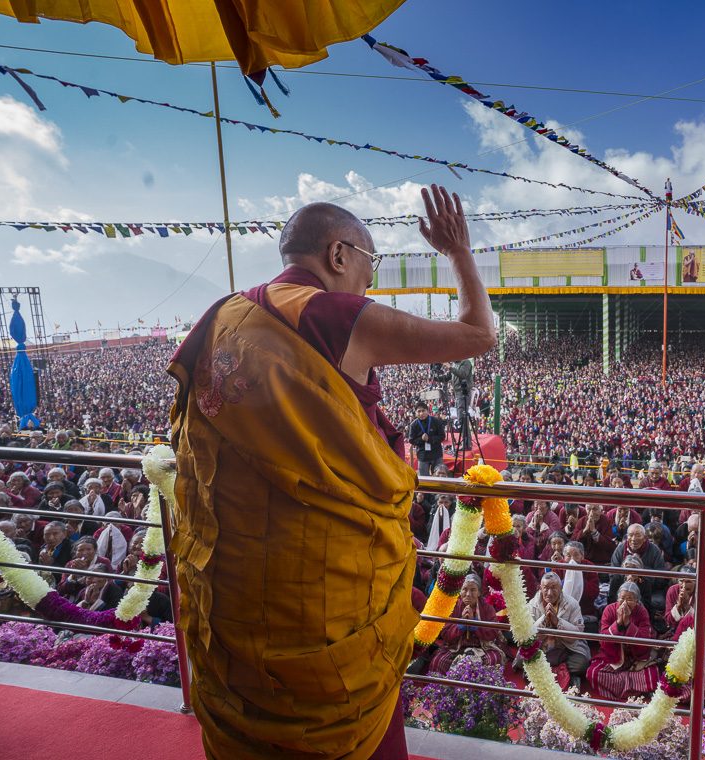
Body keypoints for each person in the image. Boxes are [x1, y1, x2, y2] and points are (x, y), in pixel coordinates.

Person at [166, 186, 494, 760]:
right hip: (322, 592)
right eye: (371, 264)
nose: (370, 282)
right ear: (339, 255)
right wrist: (459, 252)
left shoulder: (224, 314)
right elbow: (478, 333)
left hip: (239, 583)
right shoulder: (328, 314)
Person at [587, 583, 660, 700]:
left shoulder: (642, 612)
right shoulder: (609, 610)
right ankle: (632, 691)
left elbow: (645, 641)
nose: (625, 603)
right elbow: (603, 641)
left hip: (635, 659)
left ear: (637, 601)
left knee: (652, 676)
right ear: (617, 599)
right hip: (613, 657)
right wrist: (618, 623)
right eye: (622, 598)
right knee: (593, 672)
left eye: (630, 599)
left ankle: (624, 688)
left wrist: (628, 624)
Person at [429, 575, 506, 675]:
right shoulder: (453, 606)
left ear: (479, 593)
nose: (468, 594)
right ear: (460, 591)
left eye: (473, 590)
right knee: (438, 662)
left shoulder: (487, 607)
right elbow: (444, 633)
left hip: (482, 647)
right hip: (456, 647)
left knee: (494, 660)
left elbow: (493, 632)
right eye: (464, 589)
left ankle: (482, 687)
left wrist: (475, 625)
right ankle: (446, 689)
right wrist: (461, 625)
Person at [526, 573, 589, 689]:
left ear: (561, 589)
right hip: (543, 648)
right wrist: (544, 619)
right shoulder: (532, 605)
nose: (549, 593)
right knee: (523, 659)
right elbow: (529, 636)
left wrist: (557, 621)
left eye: (554, 588)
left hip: (566, 648)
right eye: (546, 588)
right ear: (540, 588)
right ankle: (568, 676)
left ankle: (550, 671)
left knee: (581, 664)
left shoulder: (572, 604)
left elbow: (577, 634)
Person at [407, 401, 446, 476]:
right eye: (419, 411)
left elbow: (442, 436)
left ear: (427, 411)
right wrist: (421, 439)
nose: (421, 413)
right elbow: (411, 440)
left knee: (439, 477)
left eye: (423, 411)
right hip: (423, 455)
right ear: (415, 413)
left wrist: (430, 439)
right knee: (424, 479)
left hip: (436, 454)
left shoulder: (436, 421)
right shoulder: (413, 425)